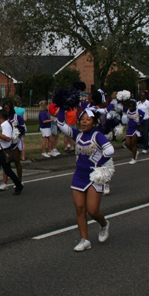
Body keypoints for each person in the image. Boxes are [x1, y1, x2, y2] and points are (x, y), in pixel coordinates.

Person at [55, 107, 114, 251]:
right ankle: (85, 240)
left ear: (94, 122)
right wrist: (62, 106)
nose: (84, 122)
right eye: (82, 119)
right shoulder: (78, 135)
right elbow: (61, 124)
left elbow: (110, 150)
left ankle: (104, 224)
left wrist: (98, 164)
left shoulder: (97, 135)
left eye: (88, 119)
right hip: (79, 176)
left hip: (94, 177)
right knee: (80, 209)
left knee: (92, 211)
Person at [0, 109, 24, 199]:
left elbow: (7, 138)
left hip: (3, 151)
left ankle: (18, 184)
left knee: (7, 170)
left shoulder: (6, 125)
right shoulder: (0, 125)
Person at [0, 102, 26, 191]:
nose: (6, 110)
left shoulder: (17, 117)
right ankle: (4, 183)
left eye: (8, 108)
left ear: (11, 108)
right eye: (5, 108)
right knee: (5, 163)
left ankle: (19, 181)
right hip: (6, 143)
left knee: (17, 162)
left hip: (15, 142)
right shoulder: (2, 118)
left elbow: (24, 128)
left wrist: (16, 132)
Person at [124, 99, 144, 164]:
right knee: (127, 143)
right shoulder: (127, 111)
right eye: (130, 106)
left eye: (132, 106)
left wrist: (140, 122)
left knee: (133, 143)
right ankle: (135, 152)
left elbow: (146, 115)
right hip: (130, 128)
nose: (131, 108)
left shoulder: (138, 111)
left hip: (136, 128)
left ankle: (134, 158)